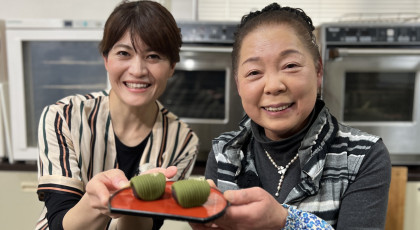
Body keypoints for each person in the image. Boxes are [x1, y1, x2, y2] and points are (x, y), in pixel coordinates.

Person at [192, 3, 391, 230]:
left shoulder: (362, 157)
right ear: (238, 84)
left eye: (290, 65)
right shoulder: (224, 153)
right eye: (254, 72)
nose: (274, 86)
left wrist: (286, 222)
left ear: (318, 71)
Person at [35, 1, 199, 230]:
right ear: (106, 59)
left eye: (153, 56)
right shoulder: (63, 116)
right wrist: (98, 202)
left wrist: (136, 201)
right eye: (124, 53)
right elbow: (59, 222)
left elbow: (148, 225)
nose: (138, 70)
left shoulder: (183, 140)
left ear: (172, 66)